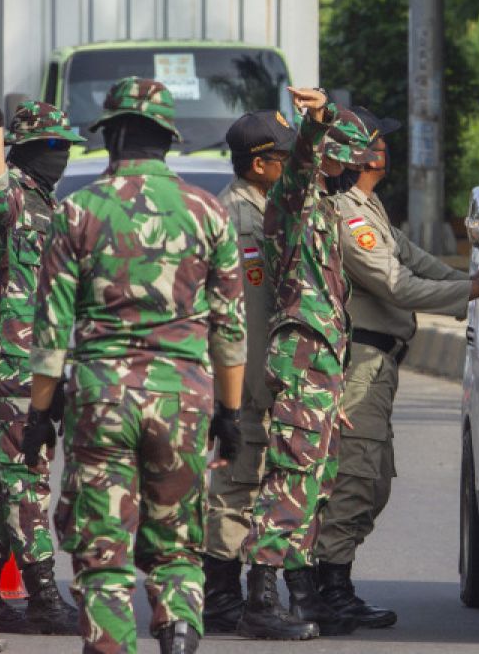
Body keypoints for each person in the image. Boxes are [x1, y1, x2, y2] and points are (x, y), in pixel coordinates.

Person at [23, 77, 247, 654]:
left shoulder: (77, 210)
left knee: (102, 548)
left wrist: (39, 414)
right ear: (168, 141)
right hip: (184, 397)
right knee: (175, 542)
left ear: (114, 135)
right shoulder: (208, 212)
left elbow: (51, 330)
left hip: (102, 396)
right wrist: (230, 412)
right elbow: (230, 330)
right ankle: (177, 630)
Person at [316, 107, 479, 627]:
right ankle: (327, 588)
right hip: (358, 362)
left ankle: (330, 580)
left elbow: (417, 260)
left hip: (378, 362)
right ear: (361, 156)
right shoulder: (346, 216)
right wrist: (471, 290)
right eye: (377, 142)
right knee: (356, 477)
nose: (384, 150)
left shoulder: (368, 206)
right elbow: (396, 285)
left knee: (373, 480)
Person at [237, 87, 380, 641]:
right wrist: (317, 120)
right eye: (348, 156)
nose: (357, 167)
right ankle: (259, 598)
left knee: (315, 482)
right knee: (290, 477)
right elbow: (300, 164)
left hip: (319, 364)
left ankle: (300, 597)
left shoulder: (323, 208)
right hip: (301, 357)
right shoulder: (295, 200)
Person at [0, 80, 83, 635]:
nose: (61, 155)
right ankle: (41, 596)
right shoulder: (12, 198)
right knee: (28, 475)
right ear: (28, 149)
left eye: (65, 146)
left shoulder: (49, 203)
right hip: (14, 358)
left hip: (39, 359)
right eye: (52, 146)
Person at [202, 110, 298, 633]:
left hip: (257, 381)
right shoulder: (239, 218)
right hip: (246, 382)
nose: (289, 166)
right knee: (237, 488)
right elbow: (243, 317)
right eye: (283, 157)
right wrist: (241, 397)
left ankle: (228, 595)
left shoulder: (259, 207)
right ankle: (219, 599)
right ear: (259, 164)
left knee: (252, 485)